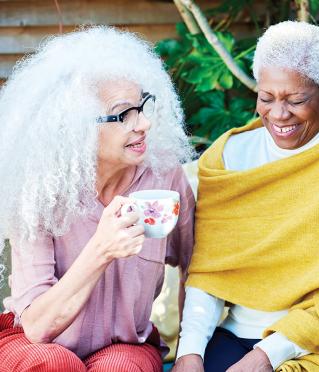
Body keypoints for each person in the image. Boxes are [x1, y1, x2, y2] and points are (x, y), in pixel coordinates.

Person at [172, 21, 319, 372]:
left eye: (296, 100)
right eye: (266, 98)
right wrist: (189, 353)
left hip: (318, 345)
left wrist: (265, 356)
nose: (279, 115)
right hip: (233, 336)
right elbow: (209, 273)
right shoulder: (229, 155)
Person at [0, 27, 195, 371]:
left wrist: (189, 354)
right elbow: (37, 327)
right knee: (55, 365)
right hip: (34, 343)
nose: (145, 123)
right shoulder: (39, 190)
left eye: (144, 105)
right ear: (76, 127)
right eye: (124, 114)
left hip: (126, 345)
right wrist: (101, 249)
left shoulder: (165, 179)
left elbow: (197, 268)